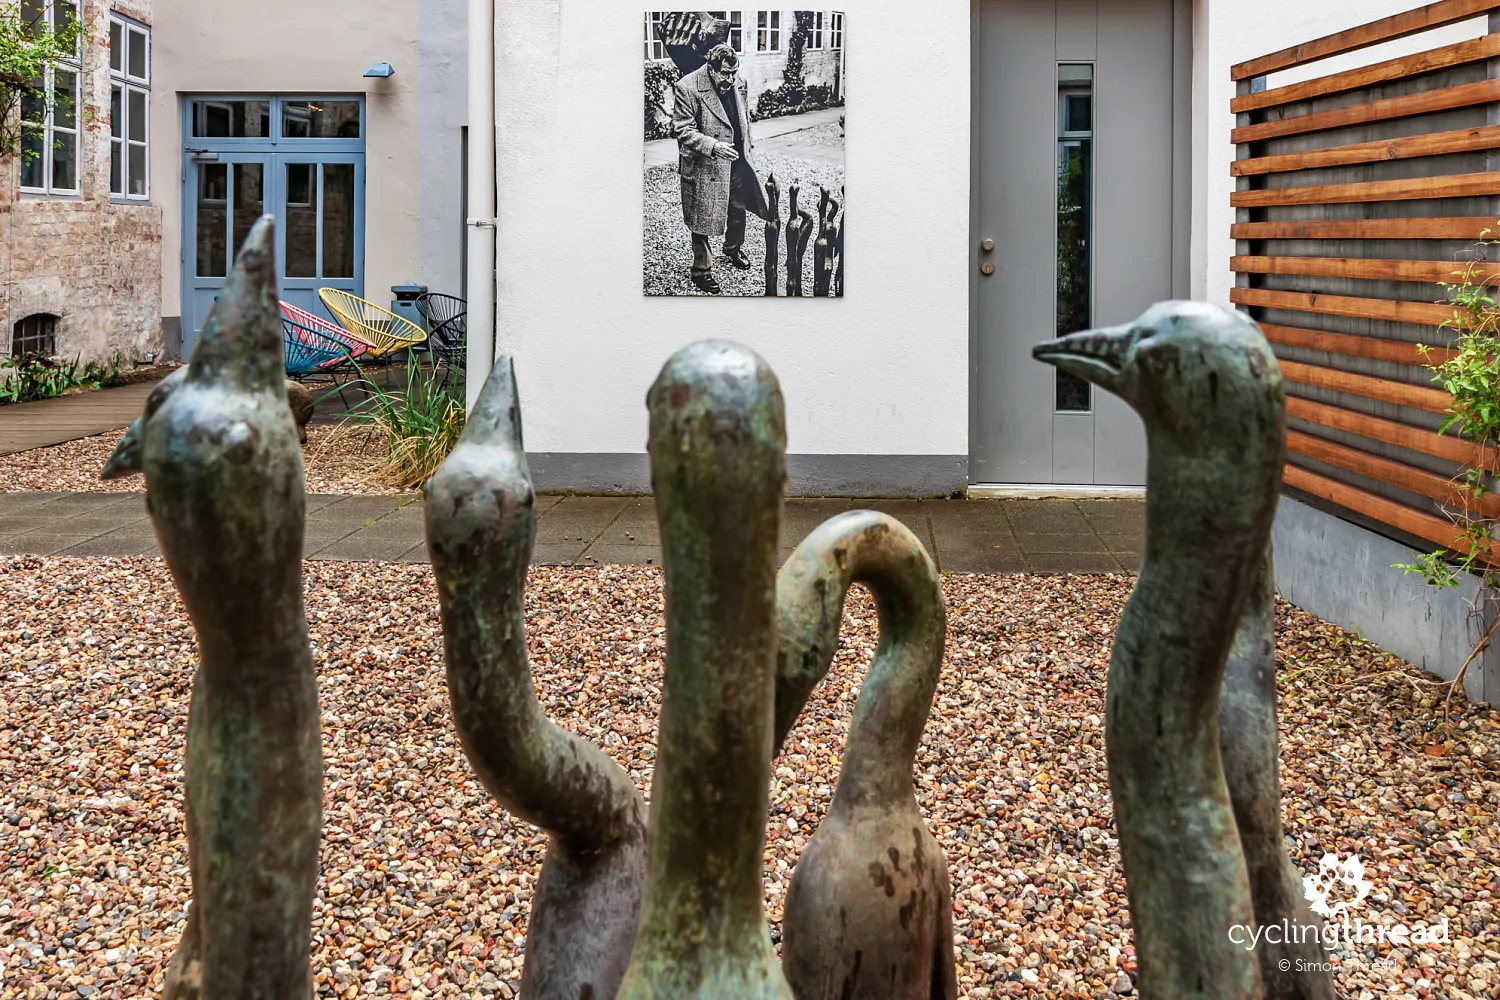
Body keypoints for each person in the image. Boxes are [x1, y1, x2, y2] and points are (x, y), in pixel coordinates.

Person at [672, 43, 770, 294]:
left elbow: (744, 118)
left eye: (734, 73)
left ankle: (733, 249)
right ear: (711, 68)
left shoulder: (738, 82)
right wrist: (714, 146)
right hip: (704, 163)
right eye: (725, 74)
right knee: (701, 218)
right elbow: (683, 130)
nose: (731, 79)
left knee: (738, 209)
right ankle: (701, 271)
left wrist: (748, 145)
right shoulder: (688, 87)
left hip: (735, 161)